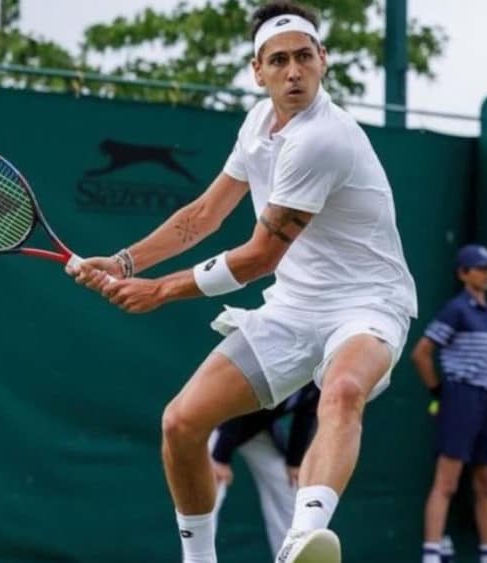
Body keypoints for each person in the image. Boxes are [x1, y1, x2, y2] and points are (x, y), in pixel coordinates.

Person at [67, 1, 418, 561]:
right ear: (258, 71)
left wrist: (160, 290)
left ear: (323, 60)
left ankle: (302, 540)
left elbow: (259, 258)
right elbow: (205, 215)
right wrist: (127, 261)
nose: (293, 71)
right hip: (293, 309)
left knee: (344, 389)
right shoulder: (258, 123)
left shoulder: (322, 139)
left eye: (304, 56)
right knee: (181, 423)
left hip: (368, 303)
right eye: (278, 61)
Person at [411, 244, 487, 563]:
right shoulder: (455, 309)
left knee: (486, 483)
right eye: (480, 268)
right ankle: (432, 554)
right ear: (463, 274)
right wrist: (440, 391)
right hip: (460, 396)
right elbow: (422, 352)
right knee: (446, 481)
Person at [209, 385, 319, 558]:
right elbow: (235, 401)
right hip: (218, 422)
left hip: (257, 429)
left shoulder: (319, 378)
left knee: (288, 484)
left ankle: (291, 557)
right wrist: (220, 457)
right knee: (209, 491)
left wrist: (295, 462)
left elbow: (306, 414)